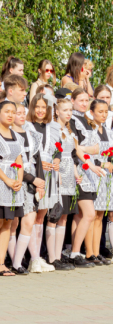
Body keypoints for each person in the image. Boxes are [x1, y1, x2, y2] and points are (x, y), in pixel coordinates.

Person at [0, 100, 24, 276]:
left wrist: (19, 180)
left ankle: (2, 261)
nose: (10, 115)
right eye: (6, 111)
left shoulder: (17, 135)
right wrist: (7, 180)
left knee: (9, 222)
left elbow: (19, 159)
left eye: (13, 112)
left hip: (14, 183)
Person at [24, 93, 60, 272]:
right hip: (34, 172)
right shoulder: (27, 126)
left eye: (43, 107)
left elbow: (59, 148)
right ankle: (33, 258)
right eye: (37, 107)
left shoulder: (52, 127)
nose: (40, 110)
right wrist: (39, 163)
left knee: (41, 217)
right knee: (32, 216)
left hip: (50, 174)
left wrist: (57, 160)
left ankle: (37, 256)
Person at [8, 102, 45, 274]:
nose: (21, 115)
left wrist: (40, 183)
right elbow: (17, 163)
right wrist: (33, 180)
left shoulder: (32, 135)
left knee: (29, 222)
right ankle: (15, 260)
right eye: (18, 113)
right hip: (16, 180)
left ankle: (18, 263)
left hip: (32, 182)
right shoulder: (9, 135)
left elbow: (37, 161)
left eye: (23, 112)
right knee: (13, 223)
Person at [46, 98, 79, 271]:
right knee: (54, 215)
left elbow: (72, 155)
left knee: (64, 215)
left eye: (70, 110)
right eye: (65, 110)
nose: (68, 113)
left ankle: (59, 256)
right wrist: (56, 173)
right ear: (57, 111)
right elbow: (53, 151)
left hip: (68, 175)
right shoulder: (52, 128)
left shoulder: (69, 130)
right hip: (57, 172)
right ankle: (51, 257)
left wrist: (76, 174)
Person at [67, 88, 99, 267]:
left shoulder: (86, 120)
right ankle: (75, 251)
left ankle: (75, 252)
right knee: (89, 214)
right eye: (81, 100)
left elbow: (96, 147)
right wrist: (90, 154)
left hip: (88, 169)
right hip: (79, 168)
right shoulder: (72, 120)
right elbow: (77, 148)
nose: (84, 103)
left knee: (80, 215)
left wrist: (91, 151)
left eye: (87, 100)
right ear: (72, 101)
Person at [90, 99, 113, 264]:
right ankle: (90, 251)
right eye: (100, 111)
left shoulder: (106, 129)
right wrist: (101, 163)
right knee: (92, 216)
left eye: (105, 111)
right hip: (93, 173)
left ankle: (97, 251)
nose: (103, 115)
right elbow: (87, 154)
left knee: (100, 215)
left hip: (105, 176)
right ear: (92, 112)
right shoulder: (90, 130)